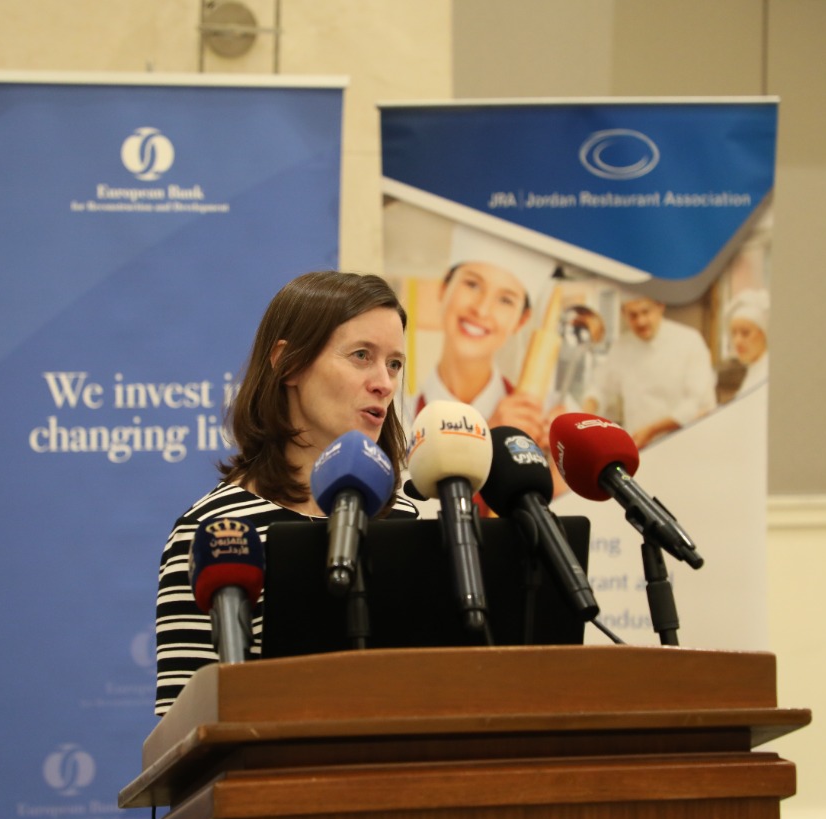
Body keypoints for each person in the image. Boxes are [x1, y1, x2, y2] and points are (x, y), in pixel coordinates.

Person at [154, 271, 419, 715]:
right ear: (288, 363)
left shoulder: (409, 519)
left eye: (394, 364)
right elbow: (184, 728)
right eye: (361, 356)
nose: (385, 383)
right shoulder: (215, 532)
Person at [412, 223, 563, 445]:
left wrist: (557, 457)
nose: (481, 310)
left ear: (521, 320)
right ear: (444, 288)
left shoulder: (546, 415)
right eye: (472, 284)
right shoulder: (396, 416)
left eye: (505, 300)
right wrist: (489, 437)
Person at [582, 292, 716, 450]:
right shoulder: (622, 347)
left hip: (684, 446)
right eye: (633, 315)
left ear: (660, 306)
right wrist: (584, 417)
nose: (641, 321)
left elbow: (698, 404)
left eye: (645, 312)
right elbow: (600, 388)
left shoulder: (689, 341)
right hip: (639, 447)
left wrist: (653, 430)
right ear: (623, 314)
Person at [726, 289, 769, 397]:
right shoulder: (753, 370)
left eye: (745, 333)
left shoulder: (769, 373)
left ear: (763, 334)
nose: (737, 341)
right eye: (734, 333)